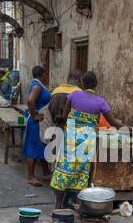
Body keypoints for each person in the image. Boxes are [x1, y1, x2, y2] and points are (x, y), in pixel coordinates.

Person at [50, 71, 125, 209]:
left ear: (82, 83)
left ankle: (58, 206)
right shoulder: (101, 102)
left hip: (71, 139)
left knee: (64, 168)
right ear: (96, 84)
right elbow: (113, 122)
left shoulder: (74, 95)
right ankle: (78, 207)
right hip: (87, 142)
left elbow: (65, 116)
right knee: (81, 172)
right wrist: (126, 127)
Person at [23, 66, 52, 187]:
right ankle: (30, 177)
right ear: (43, 74)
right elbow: (30, 101)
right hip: (36, 122)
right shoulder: (37, 86)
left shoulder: (37, 84)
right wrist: (35, 115)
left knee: (43, 145)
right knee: (33, 147)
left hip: (40, 122)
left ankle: (45, 173)